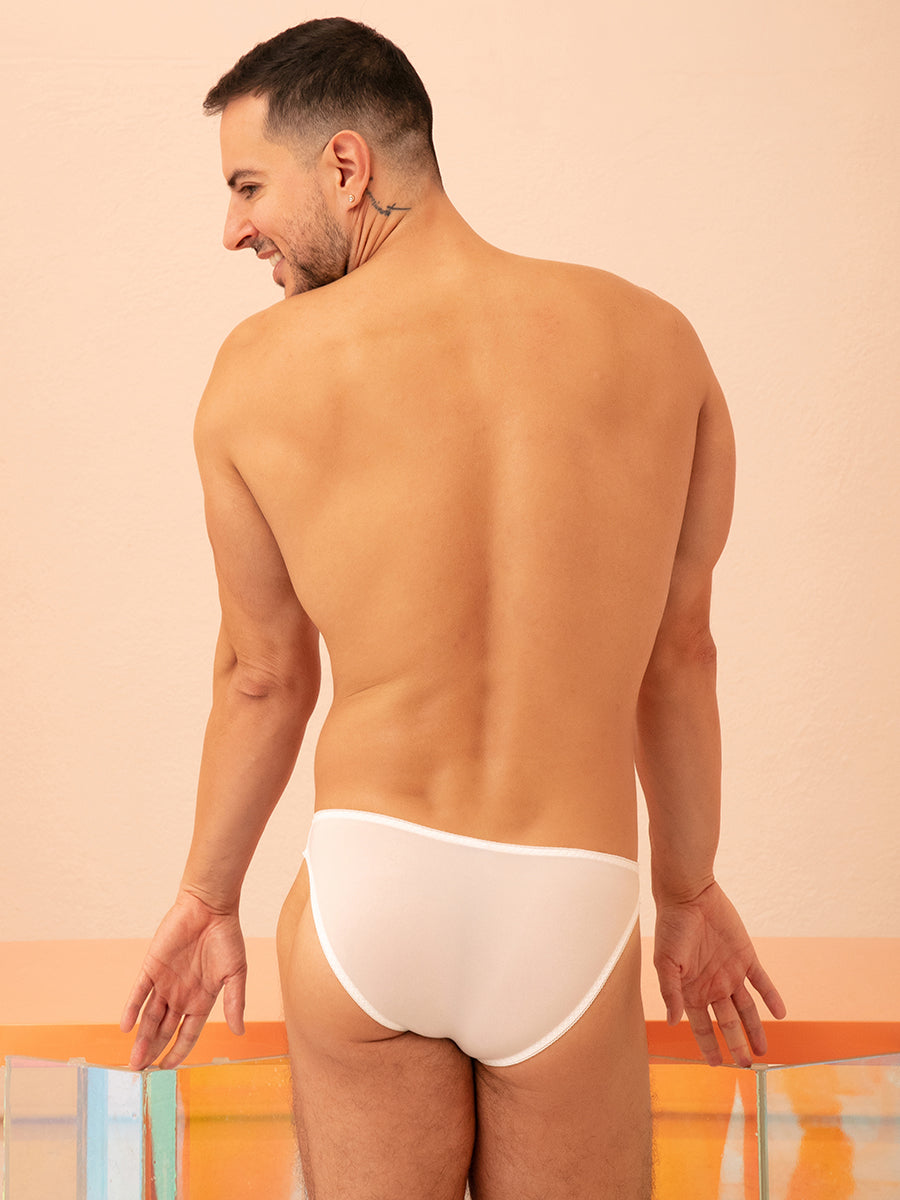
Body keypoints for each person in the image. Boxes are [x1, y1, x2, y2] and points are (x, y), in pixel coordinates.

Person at [121, 17, 786, 1199]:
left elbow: (263, 677)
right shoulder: (658, 343)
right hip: (570, 901)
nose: (233, 230)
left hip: (378, 889)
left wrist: (205, 896)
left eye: (246, 186)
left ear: (345, 165)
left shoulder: (258, 374)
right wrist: (687, 891)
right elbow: (680, 659)